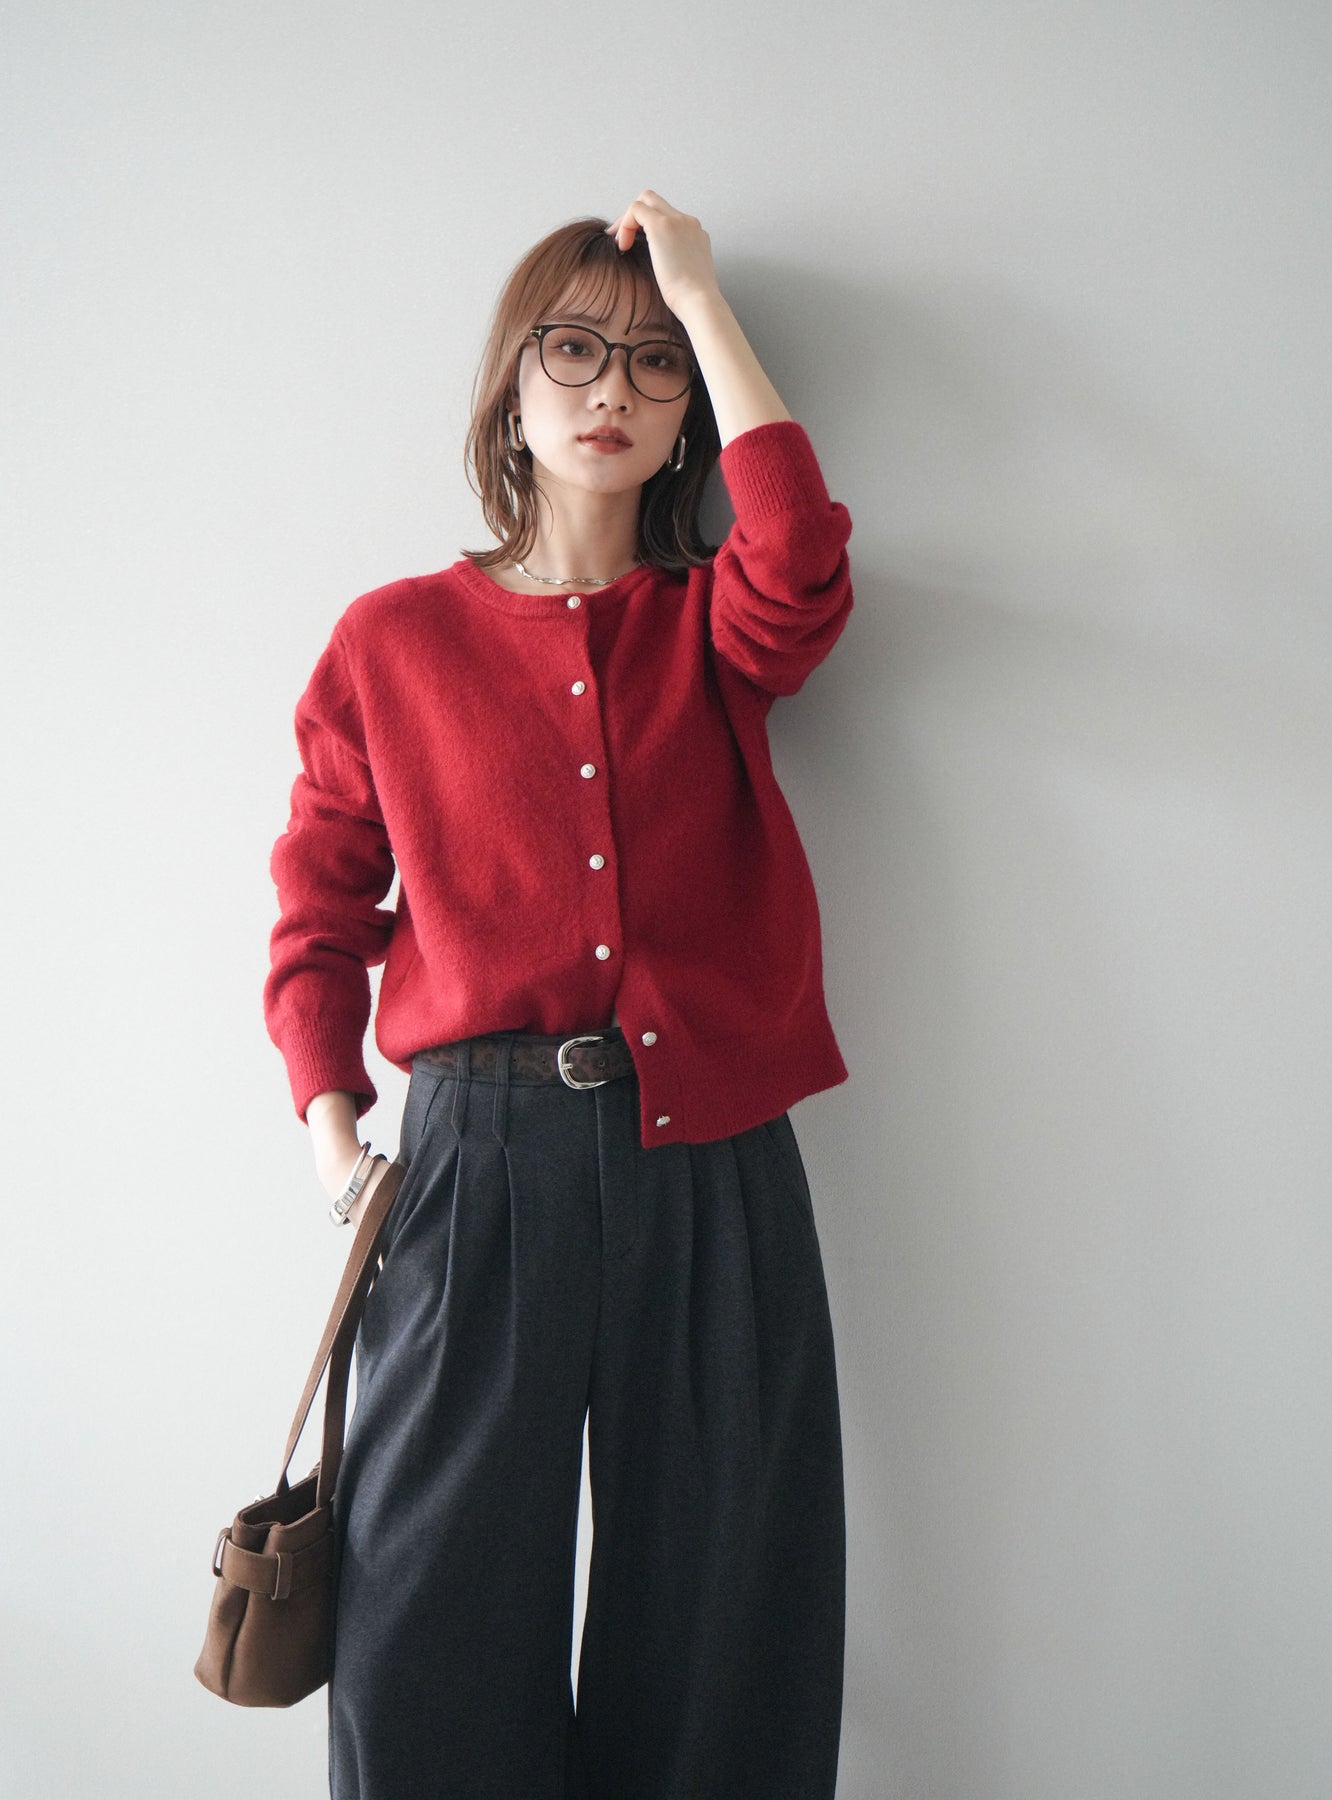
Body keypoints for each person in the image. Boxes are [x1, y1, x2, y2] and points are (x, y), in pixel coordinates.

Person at [264, 188, 853, 1800]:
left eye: (655, 365)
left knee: (726, 1606)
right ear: (510, 393)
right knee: (424, 1609)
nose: (613, 391)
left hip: (711, 1155)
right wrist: (336, 1145)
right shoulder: (391, 642)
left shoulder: (714, 627)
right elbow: (317, 913)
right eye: (575, 352)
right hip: (472, 1167)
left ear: (688, 417)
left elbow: (799, 557)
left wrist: (706, 302)